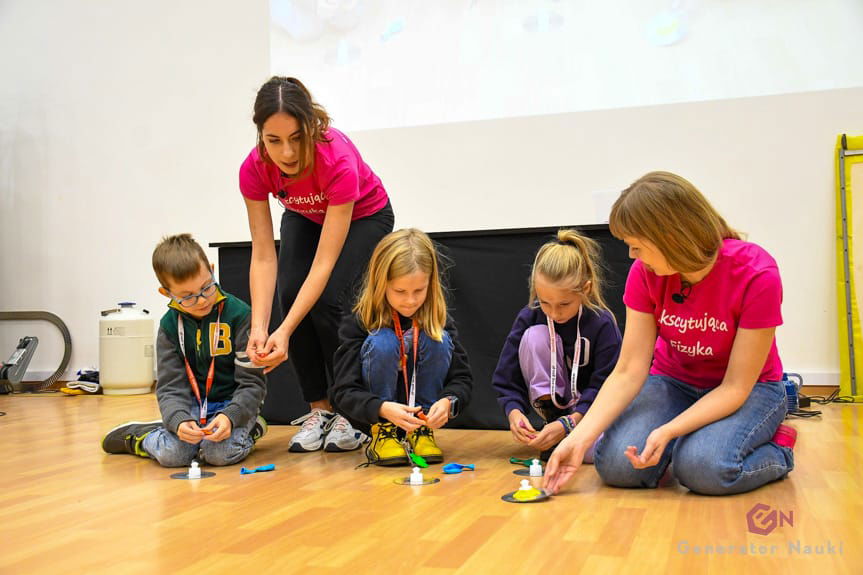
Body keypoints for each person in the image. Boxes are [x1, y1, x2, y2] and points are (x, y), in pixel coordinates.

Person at [544, 172, 797, 496]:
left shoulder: (756, 274)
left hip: (750, 390)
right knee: (617, 466)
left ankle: (780, 450)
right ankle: (684, 445)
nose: (632, 256)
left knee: (704, 468)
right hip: (674, 381)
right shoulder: (645, 274)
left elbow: (736, 387)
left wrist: (668, 430)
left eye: (637, 246)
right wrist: (578, 439)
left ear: (671, 238)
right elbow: (629, 369)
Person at [240, 76, 394, 453]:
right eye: (273, 141)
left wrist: (285, 331)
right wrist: (261, 328)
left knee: (328, 301)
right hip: (305, 215)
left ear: (310, 126)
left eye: (295, 138)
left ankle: (350, 413)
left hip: (363, 215)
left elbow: (323, 265)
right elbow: (263, 253)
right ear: (260, 135)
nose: (287, 153)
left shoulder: (336, 159)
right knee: (290, 292)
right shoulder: (254, 169)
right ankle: (319, 410)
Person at [102, 234, 267, 467]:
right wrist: (179, 420)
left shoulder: (240, 315)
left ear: (211, 270)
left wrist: (232, 416)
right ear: (166, 293)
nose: (201, 301)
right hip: (190, 407)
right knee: (173, 456)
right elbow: (170, 387)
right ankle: (143, 436)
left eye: (206, 288)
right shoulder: (169, 327)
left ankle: (251, 426)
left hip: (233, 405)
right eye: (187, 297)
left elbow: (252, 384)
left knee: (219, 455)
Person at [331, 229, 473, 465]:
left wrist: (450, 401)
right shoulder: (360, 322)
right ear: (381, 284)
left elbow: (463, 379)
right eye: (400, 291)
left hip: (421, 412)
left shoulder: (438, 320)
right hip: (380, 412)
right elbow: (342, 392)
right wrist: (381, 408)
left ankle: (422, 430)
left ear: (431, 283)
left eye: (419, 291)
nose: (410, 300)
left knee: (437, 338)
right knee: (382, 342)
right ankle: (383, 433)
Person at [492, 229, 621, 460]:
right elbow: (506, 378)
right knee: (534, 336)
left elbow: (607, 385)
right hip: (559, 416)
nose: (554, 312)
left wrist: (572, 422)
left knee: (599, 453)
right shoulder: (529, 317)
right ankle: (551, 420)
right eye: (545, 302)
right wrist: (514, 412)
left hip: (592, 413)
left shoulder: (602, 323)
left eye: (564, 304)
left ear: (587, 289)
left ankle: (565, 433)